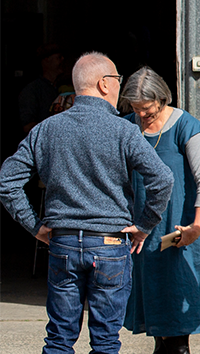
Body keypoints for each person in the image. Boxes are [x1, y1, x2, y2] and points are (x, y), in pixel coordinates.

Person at [0, 52, 174, 354]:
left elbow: (8, 181)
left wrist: (35, 226)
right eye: (118, 79)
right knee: (105, 341)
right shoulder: (125, 131)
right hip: (110, 245)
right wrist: (144, 226)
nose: (120, 86)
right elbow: (163, 180)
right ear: (104, 84)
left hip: (63, 243)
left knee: (58, 340)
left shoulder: (46, 129)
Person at [121, 66, 200, 354]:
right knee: (158, 324)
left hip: (181, 231)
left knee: (177, 325)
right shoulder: (128, 126)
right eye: (136, 109)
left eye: (147, 109)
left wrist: (196, 226)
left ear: (162, 99)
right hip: (145, 233)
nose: (142, 115)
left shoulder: (184, 127)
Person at [17, 43, 65, 134]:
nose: (63, 60)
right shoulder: (32, 91)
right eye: (58, 57)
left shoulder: (63, 88)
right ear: (46, 60)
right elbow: (28, 126)